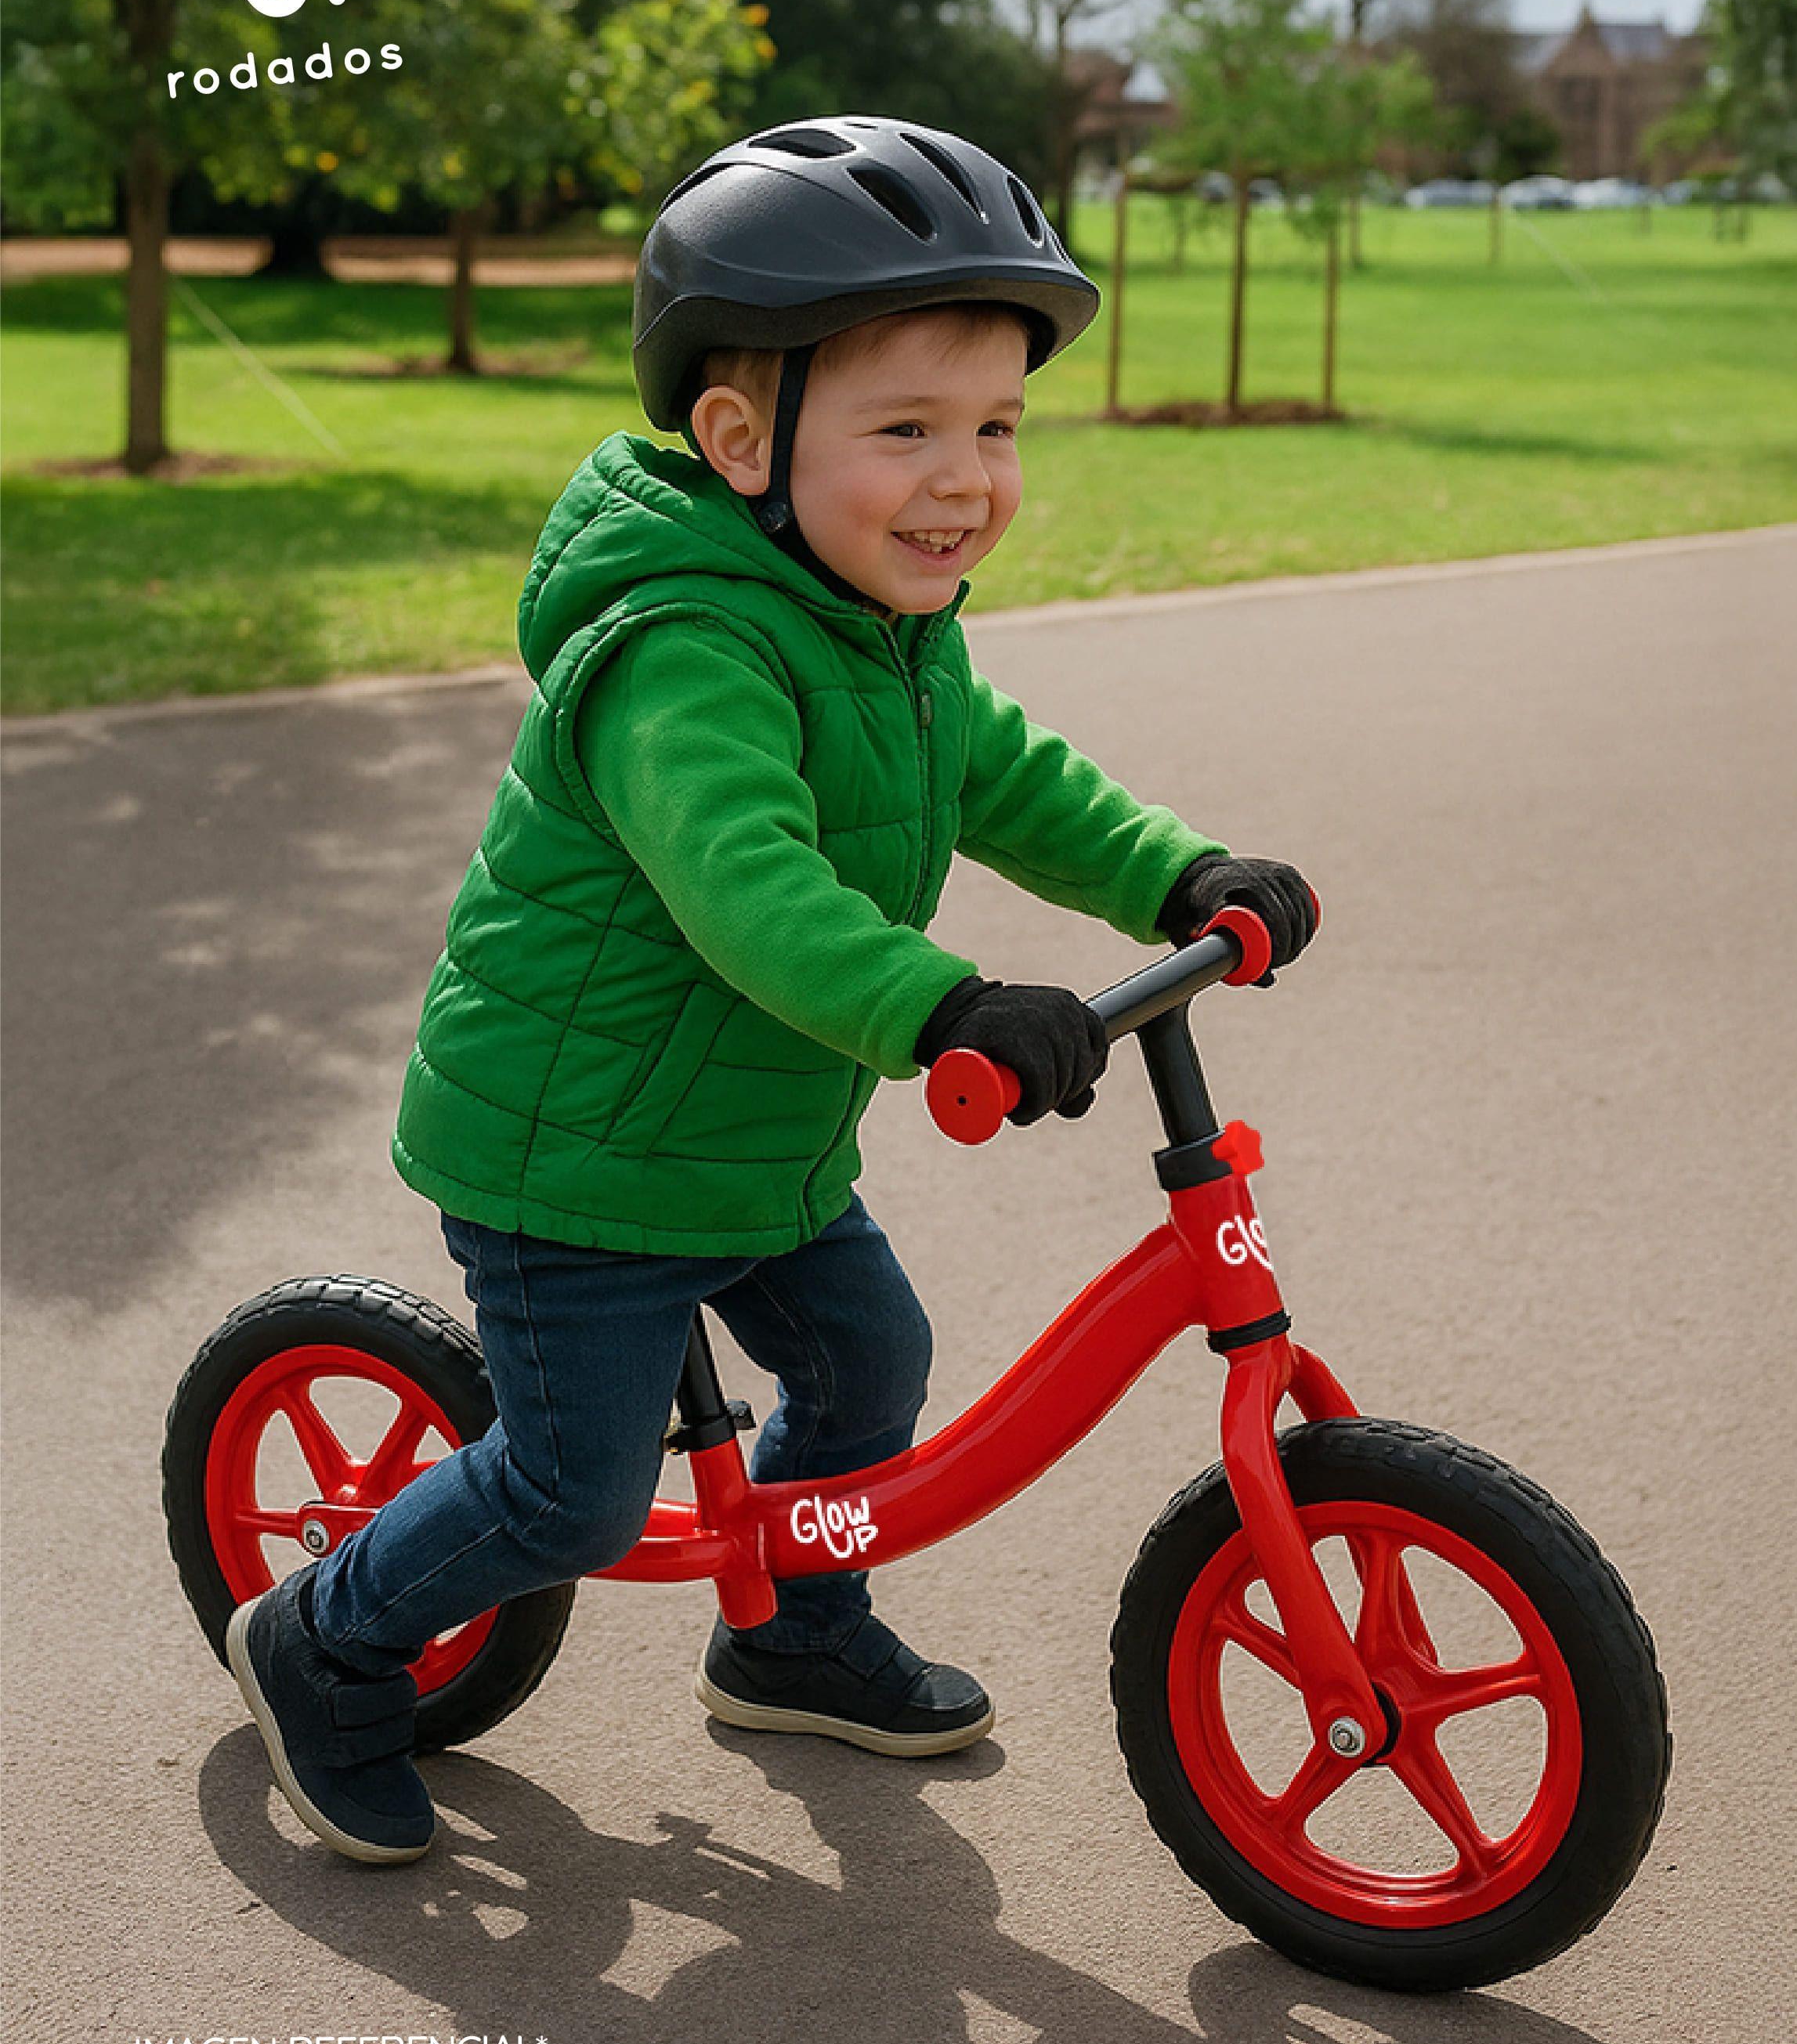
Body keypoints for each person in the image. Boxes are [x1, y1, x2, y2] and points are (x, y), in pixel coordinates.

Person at [225, 117, 1318, 1866]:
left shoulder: (889, 619)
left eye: (995, 426)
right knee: (571, 1491)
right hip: (574, 1158)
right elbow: (753, 893)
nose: (964, 476)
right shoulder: (679, 650)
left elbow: (1005, 774)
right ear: (741, 439)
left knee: (868, 1351)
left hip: (749, 1145)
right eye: (906, 429)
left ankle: (789, 1627)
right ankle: (324, 1634)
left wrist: (1176, 872)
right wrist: (945, 1006)